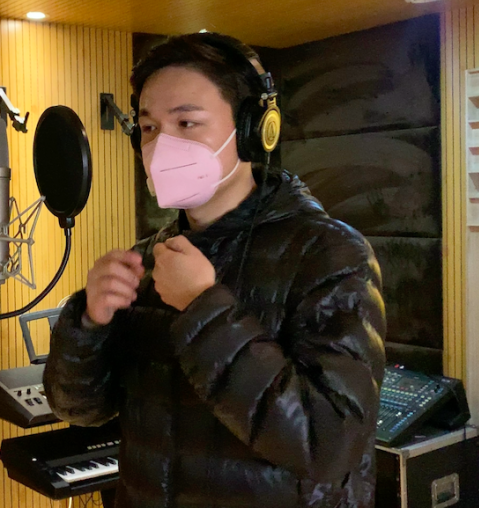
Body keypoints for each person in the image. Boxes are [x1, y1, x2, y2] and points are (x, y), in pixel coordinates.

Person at [43, 32, 386, 508]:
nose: (162, 145)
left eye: (187, 122)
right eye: (149, 127)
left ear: (251, 130)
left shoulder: (329, 253)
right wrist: (89, 323)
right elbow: (79, 410)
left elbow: (329, 446)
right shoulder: (148, 258)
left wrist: (204, 308)